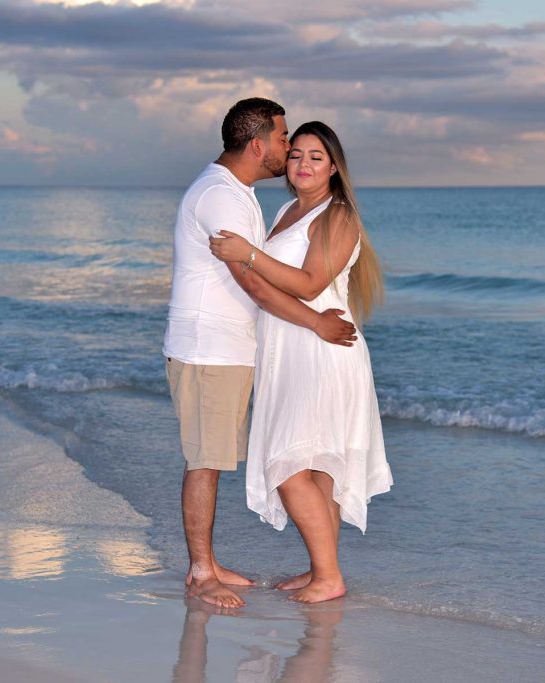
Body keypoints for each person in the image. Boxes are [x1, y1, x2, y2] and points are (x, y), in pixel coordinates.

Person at [163, 101, 359, 609]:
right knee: (208, 459)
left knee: (309, 461)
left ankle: (321, 570)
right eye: (285, 142)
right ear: (259, 145)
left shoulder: (243, 195)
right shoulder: (226, 197)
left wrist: (313, 322)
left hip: (258, 349)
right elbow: (250, 280)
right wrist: (315, 320)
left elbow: (282, 272)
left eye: (311, 153)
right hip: (212, 347)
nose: (289, 153)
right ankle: (203, 571)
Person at [209, 121, 393, 603]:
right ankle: (321, 572)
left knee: (290, 466)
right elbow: (273, 287)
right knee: (315, 471)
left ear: (334, 166)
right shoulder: (289, 210)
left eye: (316, 156)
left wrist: (247, 253)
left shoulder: (339, 216)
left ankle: (330, 578)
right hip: (289, 348)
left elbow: (310, 283)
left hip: (321, 352)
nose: (303, 164)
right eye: (296, 155)